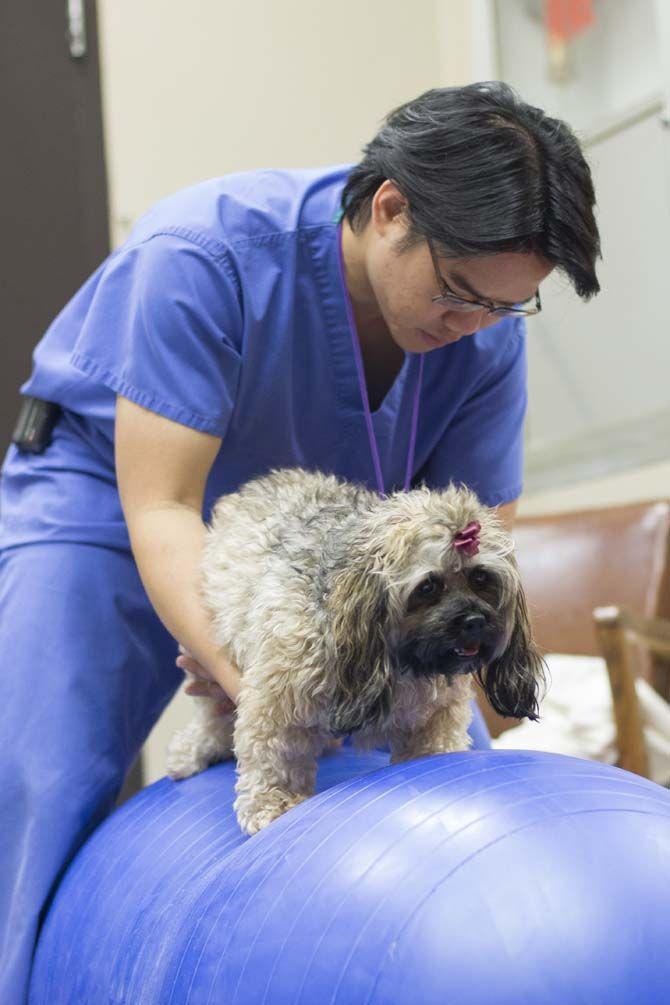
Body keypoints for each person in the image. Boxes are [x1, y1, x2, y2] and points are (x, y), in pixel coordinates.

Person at [0, 80, 600, 1002]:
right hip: (110, 506)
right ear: (390, 207)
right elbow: (162, 506)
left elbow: (483, 545)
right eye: (456, 293)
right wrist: (257, 679)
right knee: (35, 779)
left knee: (456, 752)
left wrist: (438, 696)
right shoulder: (202, 254)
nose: (472, 326)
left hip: (344, 555)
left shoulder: (485, 337)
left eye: (503, 307)